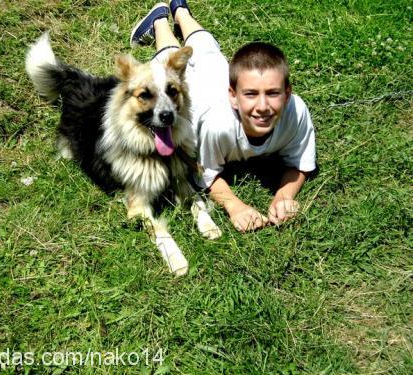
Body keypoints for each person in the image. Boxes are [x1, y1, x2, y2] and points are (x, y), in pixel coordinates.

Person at [130, 1, 316, 232]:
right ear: (234, 96)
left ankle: (181, 11)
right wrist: (234, 205)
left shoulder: (296, 112)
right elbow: (206, 174)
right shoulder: (217, 126)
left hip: (217, 70)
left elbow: (301, 162)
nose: (262, 106)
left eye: (273, 93)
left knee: (205, 46)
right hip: (197, 92)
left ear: (287, 93)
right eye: (250, 94)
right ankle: (158, 21)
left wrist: (284, 196)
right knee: (172, 58)